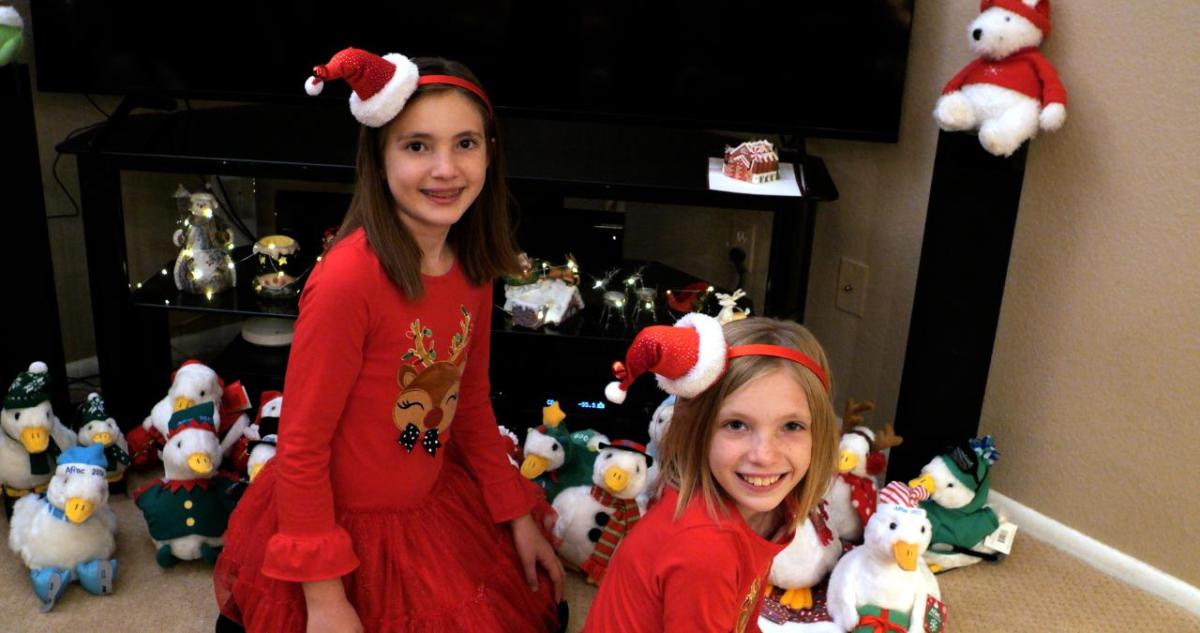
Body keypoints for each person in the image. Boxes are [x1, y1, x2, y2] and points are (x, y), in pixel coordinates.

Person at [213, 48, 563, 633]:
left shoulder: (471, 265)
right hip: (341, 524)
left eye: (465, 144)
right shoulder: (348, 281)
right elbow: (301, 449)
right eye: (417, 145)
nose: (445, 168)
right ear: (378, 158)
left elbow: (469, 402)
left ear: (490, 154)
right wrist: (325, 599)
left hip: (428, 493)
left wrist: (514, 514)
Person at [585, 315, 839, 633]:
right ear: (697, 431)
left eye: (791, 426)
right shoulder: (704, 548)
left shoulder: (764, 512)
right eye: (736, 425)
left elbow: (742, 615)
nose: (764, 455)